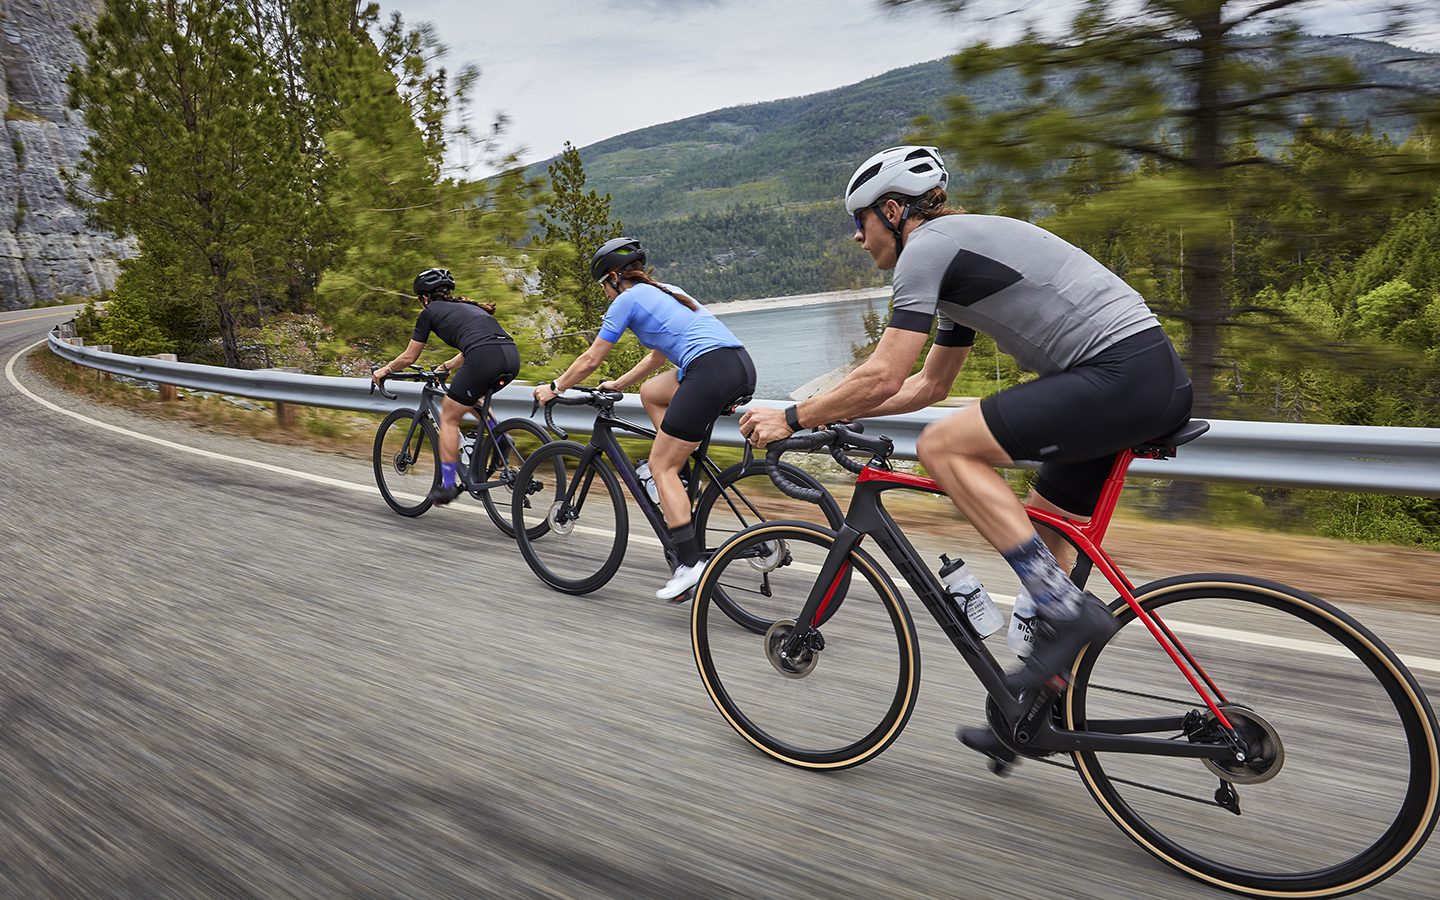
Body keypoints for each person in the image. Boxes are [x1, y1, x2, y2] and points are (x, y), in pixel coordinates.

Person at [739, 146, 1193, 760]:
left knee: (941, 447)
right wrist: (836, 410)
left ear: (893, 211)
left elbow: (882, 373)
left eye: (861, 221)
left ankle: (1070, 612)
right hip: (1137, 378)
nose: (856, 237)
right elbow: (925, 386)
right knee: (1043, 533)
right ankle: (1033, 713)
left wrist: (794, 416)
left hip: (1122, 376)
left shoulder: (927, 249)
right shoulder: (957, 266)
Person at [533, 237, 757, 601]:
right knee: (652, 393)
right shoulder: (667, 291)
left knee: (659, 465)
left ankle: (689, 565)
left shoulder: (627, 300)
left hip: (709, 371)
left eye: (603, 286)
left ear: (613, 278)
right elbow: (657, 356)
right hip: (737, 365)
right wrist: (621, 384)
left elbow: (591, 359)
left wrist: (555, 387)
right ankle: (678, 472)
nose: (605, 294)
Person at [373, 268, 521, 507]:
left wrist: (384, 370)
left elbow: (410, 357)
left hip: (484, 356)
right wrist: (447, 366)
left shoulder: (429, 312)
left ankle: (448, 485)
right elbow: (473, 344)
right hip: (510, 357)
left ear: (423, 298)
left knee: (450, 415)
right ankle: (501, 436)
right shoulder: (470, 307)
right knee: (472, 400)